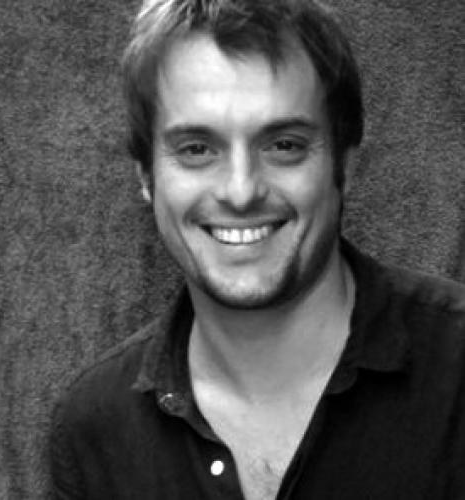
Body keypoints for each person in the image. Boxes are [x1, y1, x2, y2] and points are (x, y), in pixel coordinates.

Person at [50, 0, 465, 498]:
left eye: (283, 145)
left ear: (345, 166)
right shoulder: (95, 431)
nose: (241, 191)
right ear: (146, 177)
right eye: (197, 149)